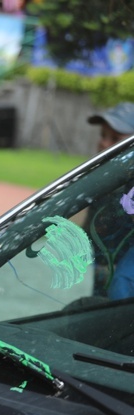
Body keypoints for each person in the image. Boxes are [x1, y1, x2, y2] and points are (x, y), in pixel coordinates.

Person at [85, 103, 134, 295]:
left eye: (115, 139)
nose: (104, 143)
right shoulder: (102, 186)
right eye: (103, 135)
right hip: (104, 281)